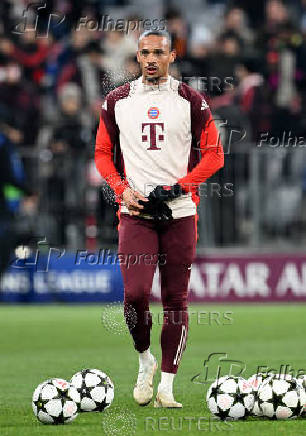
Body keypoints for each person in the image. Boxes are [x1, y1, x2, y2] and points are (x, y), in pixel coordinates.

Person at [95, 30, 224, 408]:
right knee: (135, 295)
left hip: (179, 212)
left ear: (172, 56)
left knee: (175, 300)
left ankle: (167, 383)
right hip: (135, 211)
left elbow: (214, 155)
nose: (151, 59)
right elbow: (103, 153)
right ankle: (144, 359)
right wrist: (122, 191)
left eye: (159, 53)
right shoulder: (117, 100)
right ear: (137, 56)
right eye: (145, 53)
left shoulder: (191, 100)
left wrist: (181, 187)